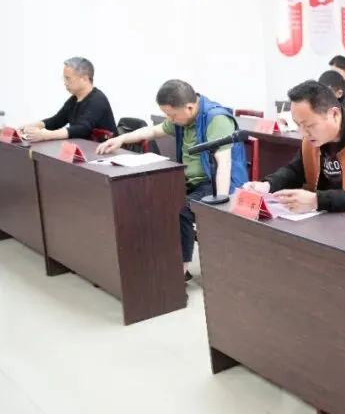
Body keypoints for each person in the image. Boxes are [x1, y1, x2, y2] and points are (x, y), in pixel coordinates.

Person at [96, 80, 248, 281]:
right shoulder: (183, 118)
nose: (170, 119)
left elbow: (224, 163)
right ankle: (162, 260)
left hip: (214, 183)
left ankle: (180, 270)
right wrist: (121, 139)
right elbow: (154, 131)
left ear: (189, 107)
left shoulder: (216, 119)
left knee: (181, 210)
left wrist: (220, 202)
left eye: (171, 115)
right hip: (189, 181)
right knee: (153, 200)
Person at [243, 81, 345, 214]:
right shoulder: (313, 139)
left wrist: (317, 200)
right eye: (298, 125)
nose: (303, 133)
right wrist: (267, 185)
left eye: (309, 125)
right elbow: (295, 170)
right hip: (339, 219)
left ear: (334, 114)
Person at [19, 57, 117, 142]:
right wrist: (34, 125)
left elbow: (82, 129)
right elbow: (57, 120)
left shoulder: (98, 100)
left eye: (68, 78)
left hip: (107, 153)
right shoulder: (74, 99)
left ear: (84, 79)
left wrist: (45, 135)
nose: (65, 83)